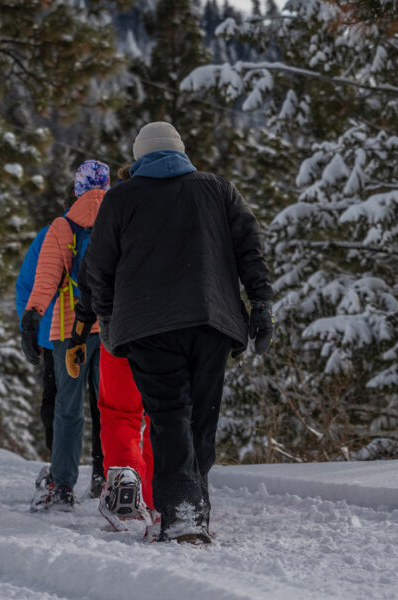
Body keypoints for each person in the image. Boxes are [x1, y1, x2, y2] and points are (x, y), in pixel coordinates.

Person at [83, 122, 274, 544]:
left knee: (169, 419)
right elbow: (250, 248)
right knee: (201, 420)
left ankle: (182, 515)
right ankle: (194, 509)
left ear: (139, 157)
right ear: (180, 151)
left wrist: (108, 318)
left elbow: (98, 268)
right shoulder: (218, 190)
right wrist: (260, 305)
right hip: (212, 322)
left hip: (148, 328)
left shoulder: (121, 198)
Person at [66, 165, 155, 530]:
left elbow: (91, 276)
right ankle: (156, 494)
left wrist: (81, 327)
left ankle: (123, 481)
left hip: (118, 329)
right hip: (169, 330)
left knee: (119, 412)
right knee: (163, 415)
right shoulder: (174, 216)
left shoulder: (113, 215)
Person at [21, 159, 110, 509]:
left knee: (68, 409)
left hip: (68, 328)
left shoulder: (63, 225)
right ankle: (111, 479)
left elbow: (46, 279)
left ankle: (62, 487)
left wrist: (32, 317)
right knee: (113, 408)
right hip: (111, 329)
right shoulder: (120, 218)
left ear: (76, 189)